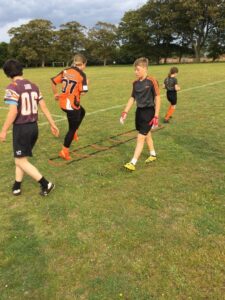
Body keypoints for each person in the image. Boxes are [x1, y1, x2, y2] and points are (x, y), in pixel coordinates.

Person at [0, 59, 59, 196]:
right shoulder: (34, 86)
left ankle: (46, 184)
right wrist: (52, 123)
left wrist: (3, 130)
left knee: (19, 160)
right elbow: (43, 106)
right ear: (21, 70)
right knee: (21, 158)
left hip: (22, 128)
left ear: (7, 74)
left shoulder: (12, 87)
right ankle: (17, 185)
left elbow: (13, 111)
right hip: (34, 128)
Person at [120, 57, 161, 171]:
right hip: (139, 112)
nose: (135, 72)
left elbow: (157, 98)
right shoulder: (135, 83)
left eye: (137, 69)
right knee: (146, 134)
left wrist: (156, 115)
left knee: (140, 137)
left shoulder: (152, 81)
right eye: (135, 70)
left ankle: (133, 162)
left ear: (144, 68)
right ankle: (153, 154)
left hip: (149, 112)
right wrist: (125, 111)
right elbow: (132, 98)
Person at [51, 53, 88, 160]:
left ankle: (75, 131)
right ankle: (64, 151)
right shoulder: (82, 75)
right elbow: (83, 92)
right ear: (83, 64)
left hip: (63, 103)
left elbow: (53, 81)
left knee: (82, 112)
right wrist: (86, 83)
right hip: (71, 106)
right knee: (71, 129)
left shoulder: (65, 71)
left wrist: (55, 94)